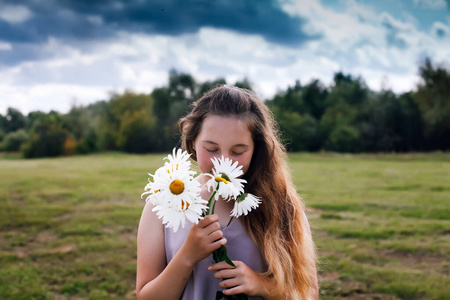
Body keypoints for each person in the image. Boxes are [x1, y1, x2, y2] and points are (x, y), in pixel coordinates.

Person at [136, 85, 318, 300]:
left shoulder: (281, 204)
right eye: (211, 149)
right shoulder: (161, 203)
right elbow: (147, 296)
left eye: (238, 151)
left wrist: (262, 284)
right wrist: (187, 256)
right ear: (193, 142)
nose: (224, 163)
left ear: (256, 149)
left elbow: (308, 293)